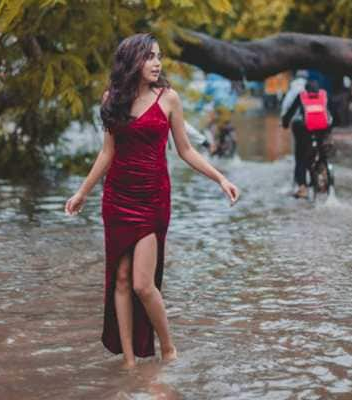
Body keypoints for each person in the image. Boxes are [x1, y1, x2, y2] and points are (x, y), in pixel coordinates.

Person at [64, 33, 239, 369]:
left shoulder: (169, 98)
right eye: (150, 57)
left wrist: (221, 178)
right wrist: (82, 192)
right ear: (133, 62)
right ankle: (129, 362)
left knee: (144, 285)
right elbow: (107, 153)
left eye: (159, 56)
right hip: (117, 198)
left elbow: (185, 150)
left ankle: (169, 349)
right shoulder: (111, 99)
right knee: (122, 279)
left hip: (153, 198)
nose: (157, 63)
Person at [281, 80, 333, 198]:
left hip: (305, 131)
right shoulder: (325, 96)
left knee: (300, 159)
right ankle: (324, 171)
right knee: (323, 152)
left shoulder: (302, 97)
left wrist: (285, 123)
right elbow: (334, 114)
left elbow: (290, 113)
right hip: (323, 130)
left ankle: (302, 187)